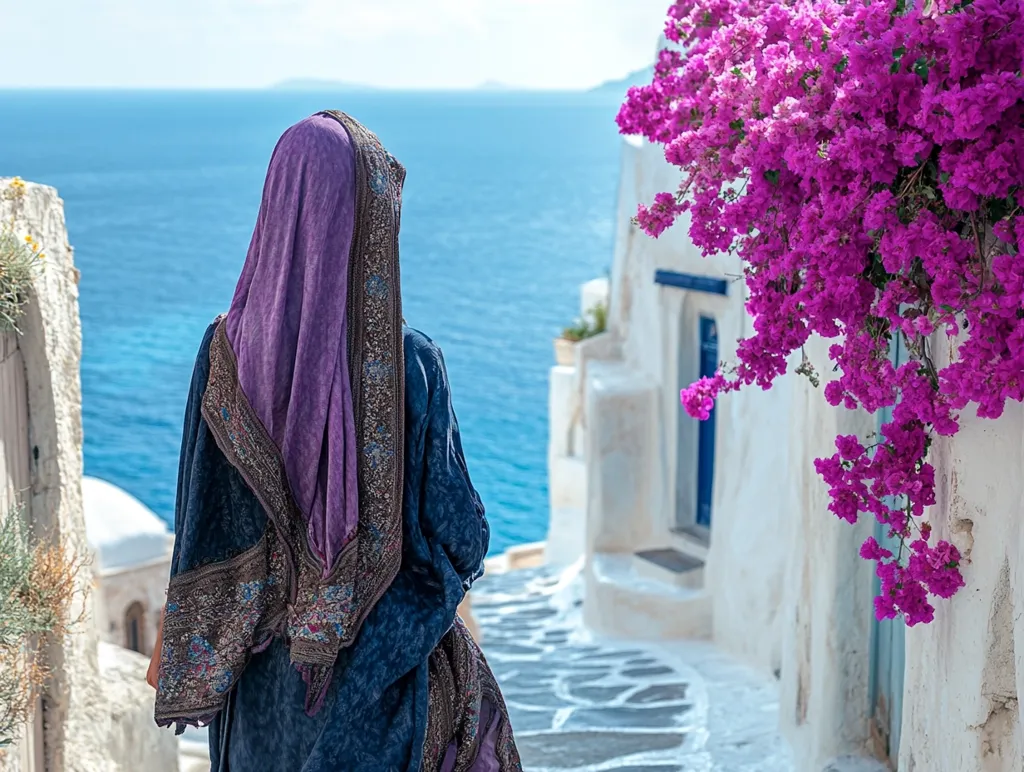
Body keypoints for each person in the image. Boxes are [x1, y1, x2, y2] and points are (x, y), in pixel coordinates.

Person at [146, 111, 522, 772]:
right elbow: (457, 534)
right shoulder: (412, 362)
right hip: (376, 690)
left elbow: (198, 517)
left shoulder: (223, 356)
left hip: (256, 702)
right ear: (368, 219)